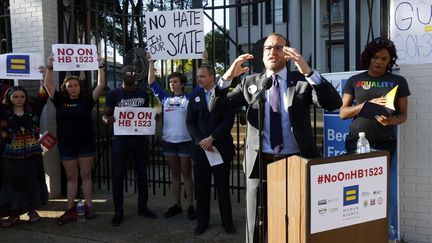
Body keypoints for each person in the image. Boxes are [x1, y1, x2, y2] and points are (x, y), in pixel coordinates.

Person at [219, 32, 342, 242]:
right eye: (268, 48)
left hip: (294, 162)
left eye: (278, 47)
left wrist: (308, 71)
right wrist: (227, 78)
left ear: (287, 54)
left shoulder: (301, 82)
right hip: (259, 164)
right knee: (255, 224)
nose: (272, 52)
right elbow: (217, 107)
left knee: (293, 221)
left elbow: (333, 103)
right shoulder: (250, 82)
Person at [339, 37, 410, 240]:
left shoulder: (398, 81)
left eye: (384, 58)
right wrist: (365, 104)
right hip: (356, 140)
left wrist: (391, 122)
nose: (379, 61)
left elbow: (403, 115)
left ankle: (384, 233)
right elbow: (343, 113)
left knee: (380, 190)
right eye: (376, 57)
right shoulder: (355, 80)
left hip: (385, 142)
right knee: (355, 187)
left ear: (390, 61)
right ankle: (356, 231)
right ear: (369, 57)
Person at [43, 55, 105, 225]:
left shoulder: (87, 101)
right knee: (71, 177)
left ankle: (89, 205)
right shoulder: (59, 100)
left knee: (86, 175)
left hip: (86, 144)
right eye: (70, 86)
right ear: (66, 88)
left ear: (80, 87)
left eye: (76, 85)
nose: (73, 88)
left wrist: (100, 66)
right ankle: (70, 208)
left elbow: (101, 85)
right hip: (67, 145)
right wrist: (50, 66)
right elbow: (48, 85)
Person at [102, 65, 157, 226]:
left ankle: (143, 206)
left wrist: (153, 119)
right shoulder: (114, 93)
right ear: (122, 75)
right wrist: (108, 120)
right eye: (128, 72)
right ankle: (118, 210)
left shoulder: (143, 94)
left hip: (140, 139)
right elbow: (106, 115)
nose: (131, 74)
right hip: (121, 139)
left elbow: (146, 115)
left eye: (134, 72)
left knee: (142, 173)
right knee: (118, 175)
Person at [186, 65, 236, 235]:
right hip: (201, 152)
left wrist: (212, 138)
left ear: (212, 76)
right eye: (197, 76)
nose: (198, 79)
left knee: (222, 188)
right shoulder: (194, 96)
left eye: (201, 76)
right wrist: (201, 141)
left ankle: (227, 223)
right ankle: (202, 222)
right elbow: (190, 122)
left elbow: (228, 121)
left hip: (220, 149)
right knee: (201, 189)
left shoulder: (225, 95)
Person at [147, 59, 198, 220]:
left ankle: (190, 205)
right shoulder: (165, 99)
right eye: (170, 82)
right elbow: (151, 83)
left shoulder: (188, 98)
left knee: (187, 175)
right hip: (169, 142)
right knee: (174, 174)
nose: (172, 84)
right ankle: (175, 204)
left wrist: (203, 60)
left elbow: (201, 84)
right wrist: (151, 62)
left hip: (185, 142)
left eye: (175, 82)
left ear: (182, 84)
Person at [0, 71, 49, 227]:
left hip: (33, 154)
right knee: (13, 185)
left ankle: (32, 211)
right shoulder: (3, 112)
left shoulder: (32, 110)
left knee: (32, 182)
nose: (19, 99)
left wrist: (45, 73)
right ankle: (14, 214)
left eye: (22, 96)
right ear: (9, 98)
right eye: (15, 97)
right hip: (10, 156)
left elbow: (44, 94)